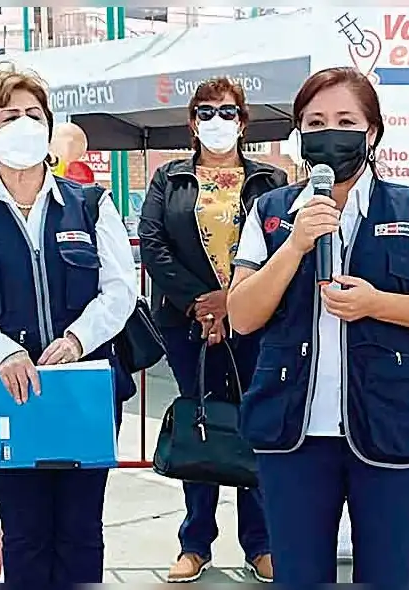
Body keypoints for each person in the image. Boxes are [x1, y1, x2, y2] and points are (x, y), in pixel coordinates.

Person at [227, 66, 409, 585]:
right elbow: (242, 316)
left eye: (344, 120)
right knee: (299, 576)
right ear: (298, 135)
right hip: (293, 432)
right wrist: (294, 244)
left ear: (372, 133)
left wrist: (377, 303)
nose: (329, 132)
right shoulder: (270, 211)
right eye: (315, 121)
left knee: (388, 574)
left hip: (391, 424)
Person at [0, 62, 137, 586]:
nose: (25, 123)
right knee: (23, 530)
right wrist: (1, 351)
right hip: (4, 394)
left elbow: (120, 290)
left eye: (34, 113)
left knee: (80, 528)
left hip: (83, 391)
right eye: (10, 115)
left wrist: (76, 339)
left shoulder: (91, 205)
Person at [138, 76, 287, 584]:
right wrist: (203, 304)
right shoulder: (169, 178)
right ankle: (195, 542)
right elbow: (153, 244)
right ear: (192, 122)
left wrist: (235, 302)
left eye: (228, 112)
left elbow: (281, 249)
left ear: (243, 122)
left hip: (255, 319)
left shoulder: (270, 180)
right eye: (206, 111)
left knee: (253, 424)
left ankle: (261, 543)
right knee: (200, 423)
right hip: (188, 323)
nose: (216, 121)